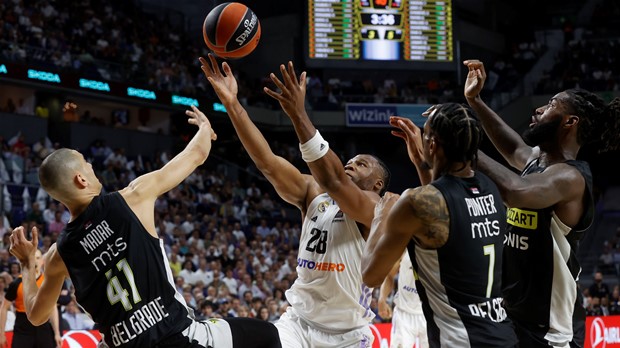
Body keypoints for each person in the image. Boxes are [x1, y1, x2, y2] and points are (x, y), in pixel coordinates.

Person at [8, 104, 282, 348]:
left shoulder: (59, 255)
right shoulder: (133, 197)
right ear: (81, 179)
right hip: (180, 336)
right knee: (267, 334)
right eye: (87, 164)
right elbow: (197, 153)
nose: (92, 166)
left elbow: (35, 314)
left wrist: (25, 263)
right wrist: (204, 127)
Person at [201, 54, 389, 347]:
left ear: (377, 183)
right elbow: (266, 162)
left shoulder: (375, 208)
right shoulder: (313, 191)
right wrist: (233, 104)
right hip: (298, 325)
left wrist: (298, 115)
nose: (352, 164)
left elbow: (335, 179)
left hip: (347, 335)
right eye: (350, 160)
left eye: (361, 164)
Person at [463, 59, 620, 348]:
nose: (538, 110)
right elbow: (512, 147)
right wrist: (475, 101)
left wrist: (465, 144)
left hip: (549, 331)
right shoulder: (538, 163)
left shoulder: (571, 177)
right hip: (513, 318)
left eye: (550, 105)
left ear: (570, 122)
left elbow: (515, 191)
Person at [361, 103, 518, 347]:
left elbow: (370, 275)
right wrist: (423, 164)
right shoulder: (490, 189)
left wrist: (381, 213)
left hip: (460, 340)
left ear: (432, 145)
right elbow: (442, 213)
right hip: (503, 335)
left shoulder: (416, 202)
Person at [0, 249, 62, 348]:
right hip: (23, 327)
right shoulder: (17, 283)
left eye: (37, 258)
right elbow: (4, 307)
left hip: (44, 328)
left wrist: (57, 333)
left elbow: (53, 308)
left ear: (42, 261)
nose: (35, 260)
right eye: (32, 258)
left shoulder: (48, 282)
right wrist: (1, 333)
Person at [378, 250, 428, 348]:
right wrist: (382, 299)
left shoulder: (439, 249)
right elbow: (389, 276)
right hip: (403, 314)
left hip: (429, 313)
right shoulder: (404, 248)